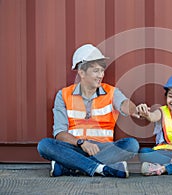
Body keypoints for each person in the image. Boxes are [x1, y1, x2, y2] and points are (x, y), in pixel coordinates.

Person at [37, 44, 139, 178]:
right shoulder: (63, 95)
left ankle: (71, 167)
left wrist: (136, 109)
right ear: (81, 72)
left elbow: (125, 105)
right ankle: (100, 168)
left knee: (132, 145)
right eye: (96, 71)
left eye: (102, 71)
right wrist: (82, 143)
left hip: (103, 150)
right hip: (74, 148)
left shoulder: (112, 92)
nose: (101, 75)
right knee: (44, 145)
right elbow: (60, 133)